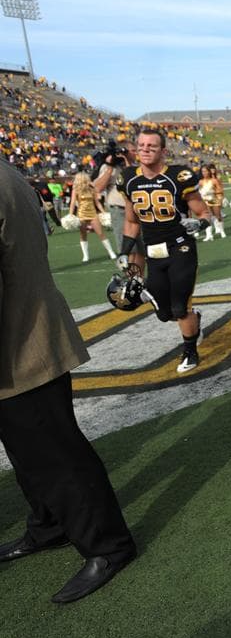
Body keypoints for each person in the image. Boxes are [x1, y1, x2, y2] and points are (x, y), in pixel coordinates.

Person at [0, 159, 136, 604]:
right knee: (28, 451)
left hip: (20, 341)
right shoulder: (6, 171)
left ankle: (108, 546)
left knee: (56, 454)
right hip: (23, 332)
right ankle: (49, 524)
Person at [117, 128, 212, 373]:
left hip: (180, 247)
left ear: (163, 151)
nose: (145, 150)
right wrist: (124, 251)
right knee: (165, 313)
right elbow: (131, 221)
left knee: (180, 308)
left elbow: (204, 213)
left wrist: (199, 223)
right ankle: (195, 320)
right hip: (153, 251)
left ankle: (190, 351)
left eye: (152, 146)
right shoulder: (128, 178)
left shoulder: (178, 176)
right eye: (141, 145)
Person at [68, 171, 116, 263]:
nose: (87, 181)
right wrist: (71, 214)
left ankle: (111, 252)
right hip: (81, 214)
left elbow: (97, 203)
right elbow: (73, 202)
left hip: (93, 214)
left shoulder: (91, 189)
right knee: (83, 235)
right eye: (85, 180)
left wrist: (103, 212)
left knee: (101, 233)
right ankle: (85, 256)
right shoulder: (75, 190)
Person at [198, 164, 227, 241]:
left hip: (213, 199)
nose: (204, 173)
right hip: (205, 200)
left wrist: (220, 199)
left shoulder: (214, 180)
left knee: (218, 216)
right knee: (207, 218)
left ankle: (222, 231)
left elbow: (219, 191)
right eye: (202, 171)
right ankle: (209, 235)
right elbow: (198, 192)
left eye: (205, 171)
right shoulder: (200, 182)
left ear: (209, 171)